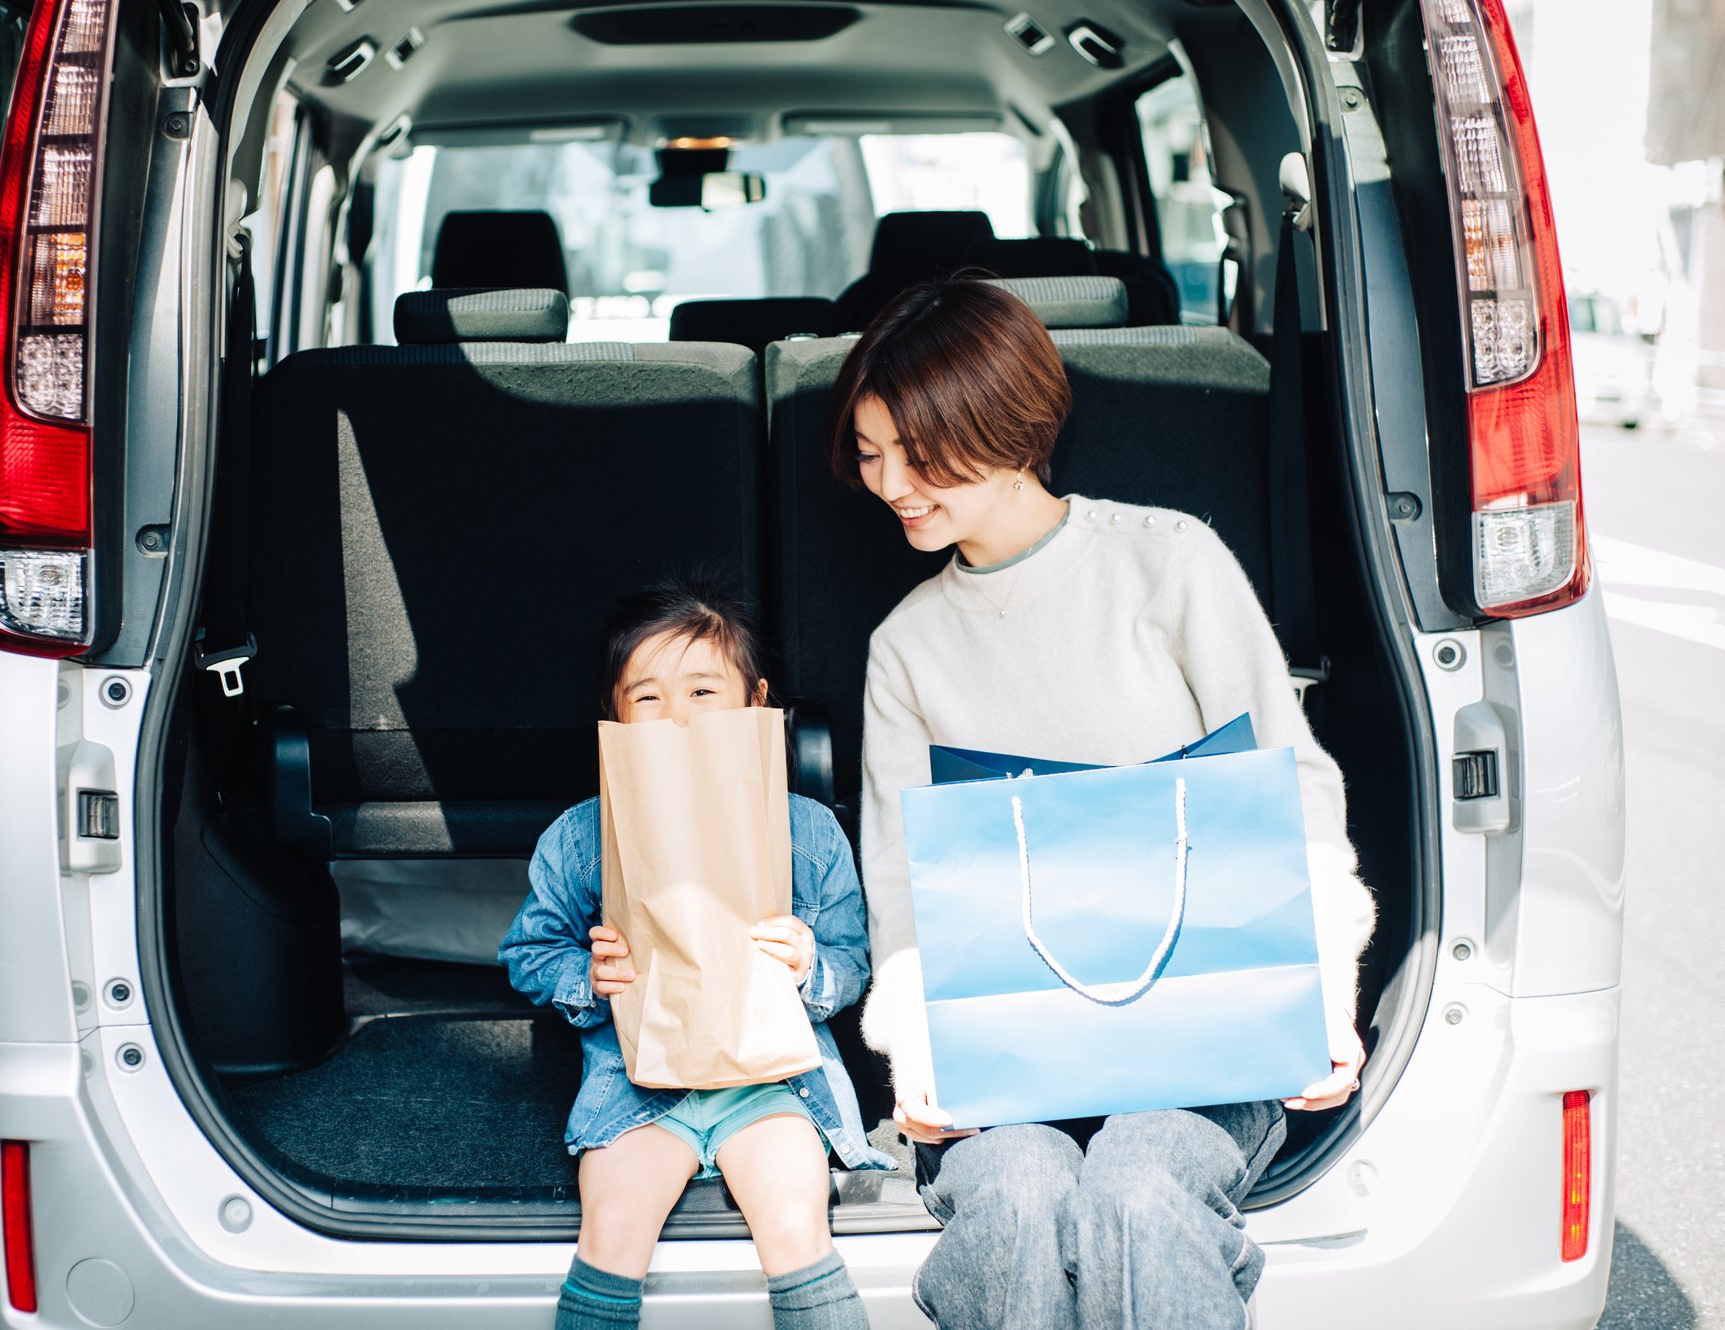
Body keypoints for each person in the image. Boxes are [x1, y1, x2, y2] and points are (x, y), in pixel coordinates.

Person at [831, 279, 1378, 1329]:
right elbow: (899, 880)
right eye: (867, 453)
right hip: (1004, 1057)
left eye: (917, 452)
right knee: (1022, 1194)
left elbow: (1291, 783)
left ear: (1006, 423)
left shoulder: (1166, 562)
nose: (888, 482)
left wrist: (1321, 991)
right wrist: (918, 1051)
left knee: (1136, 1181)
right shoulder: (905, 644)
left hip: (1200, 1039)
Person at [500, 577, 894, 1330]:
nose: (675, 717)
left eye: (703, 691)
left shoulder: (809, 834)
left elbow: (854, 961)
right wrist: (585, 974)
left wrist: (811, 966)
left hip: (773, 1082)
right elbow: (528, 950)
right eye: (646, 697)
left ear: (756, 703)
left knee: (795, 1224)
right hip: (638, 1086)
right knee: (613, 1226)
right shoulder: (583, 837)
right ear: (614, 716)